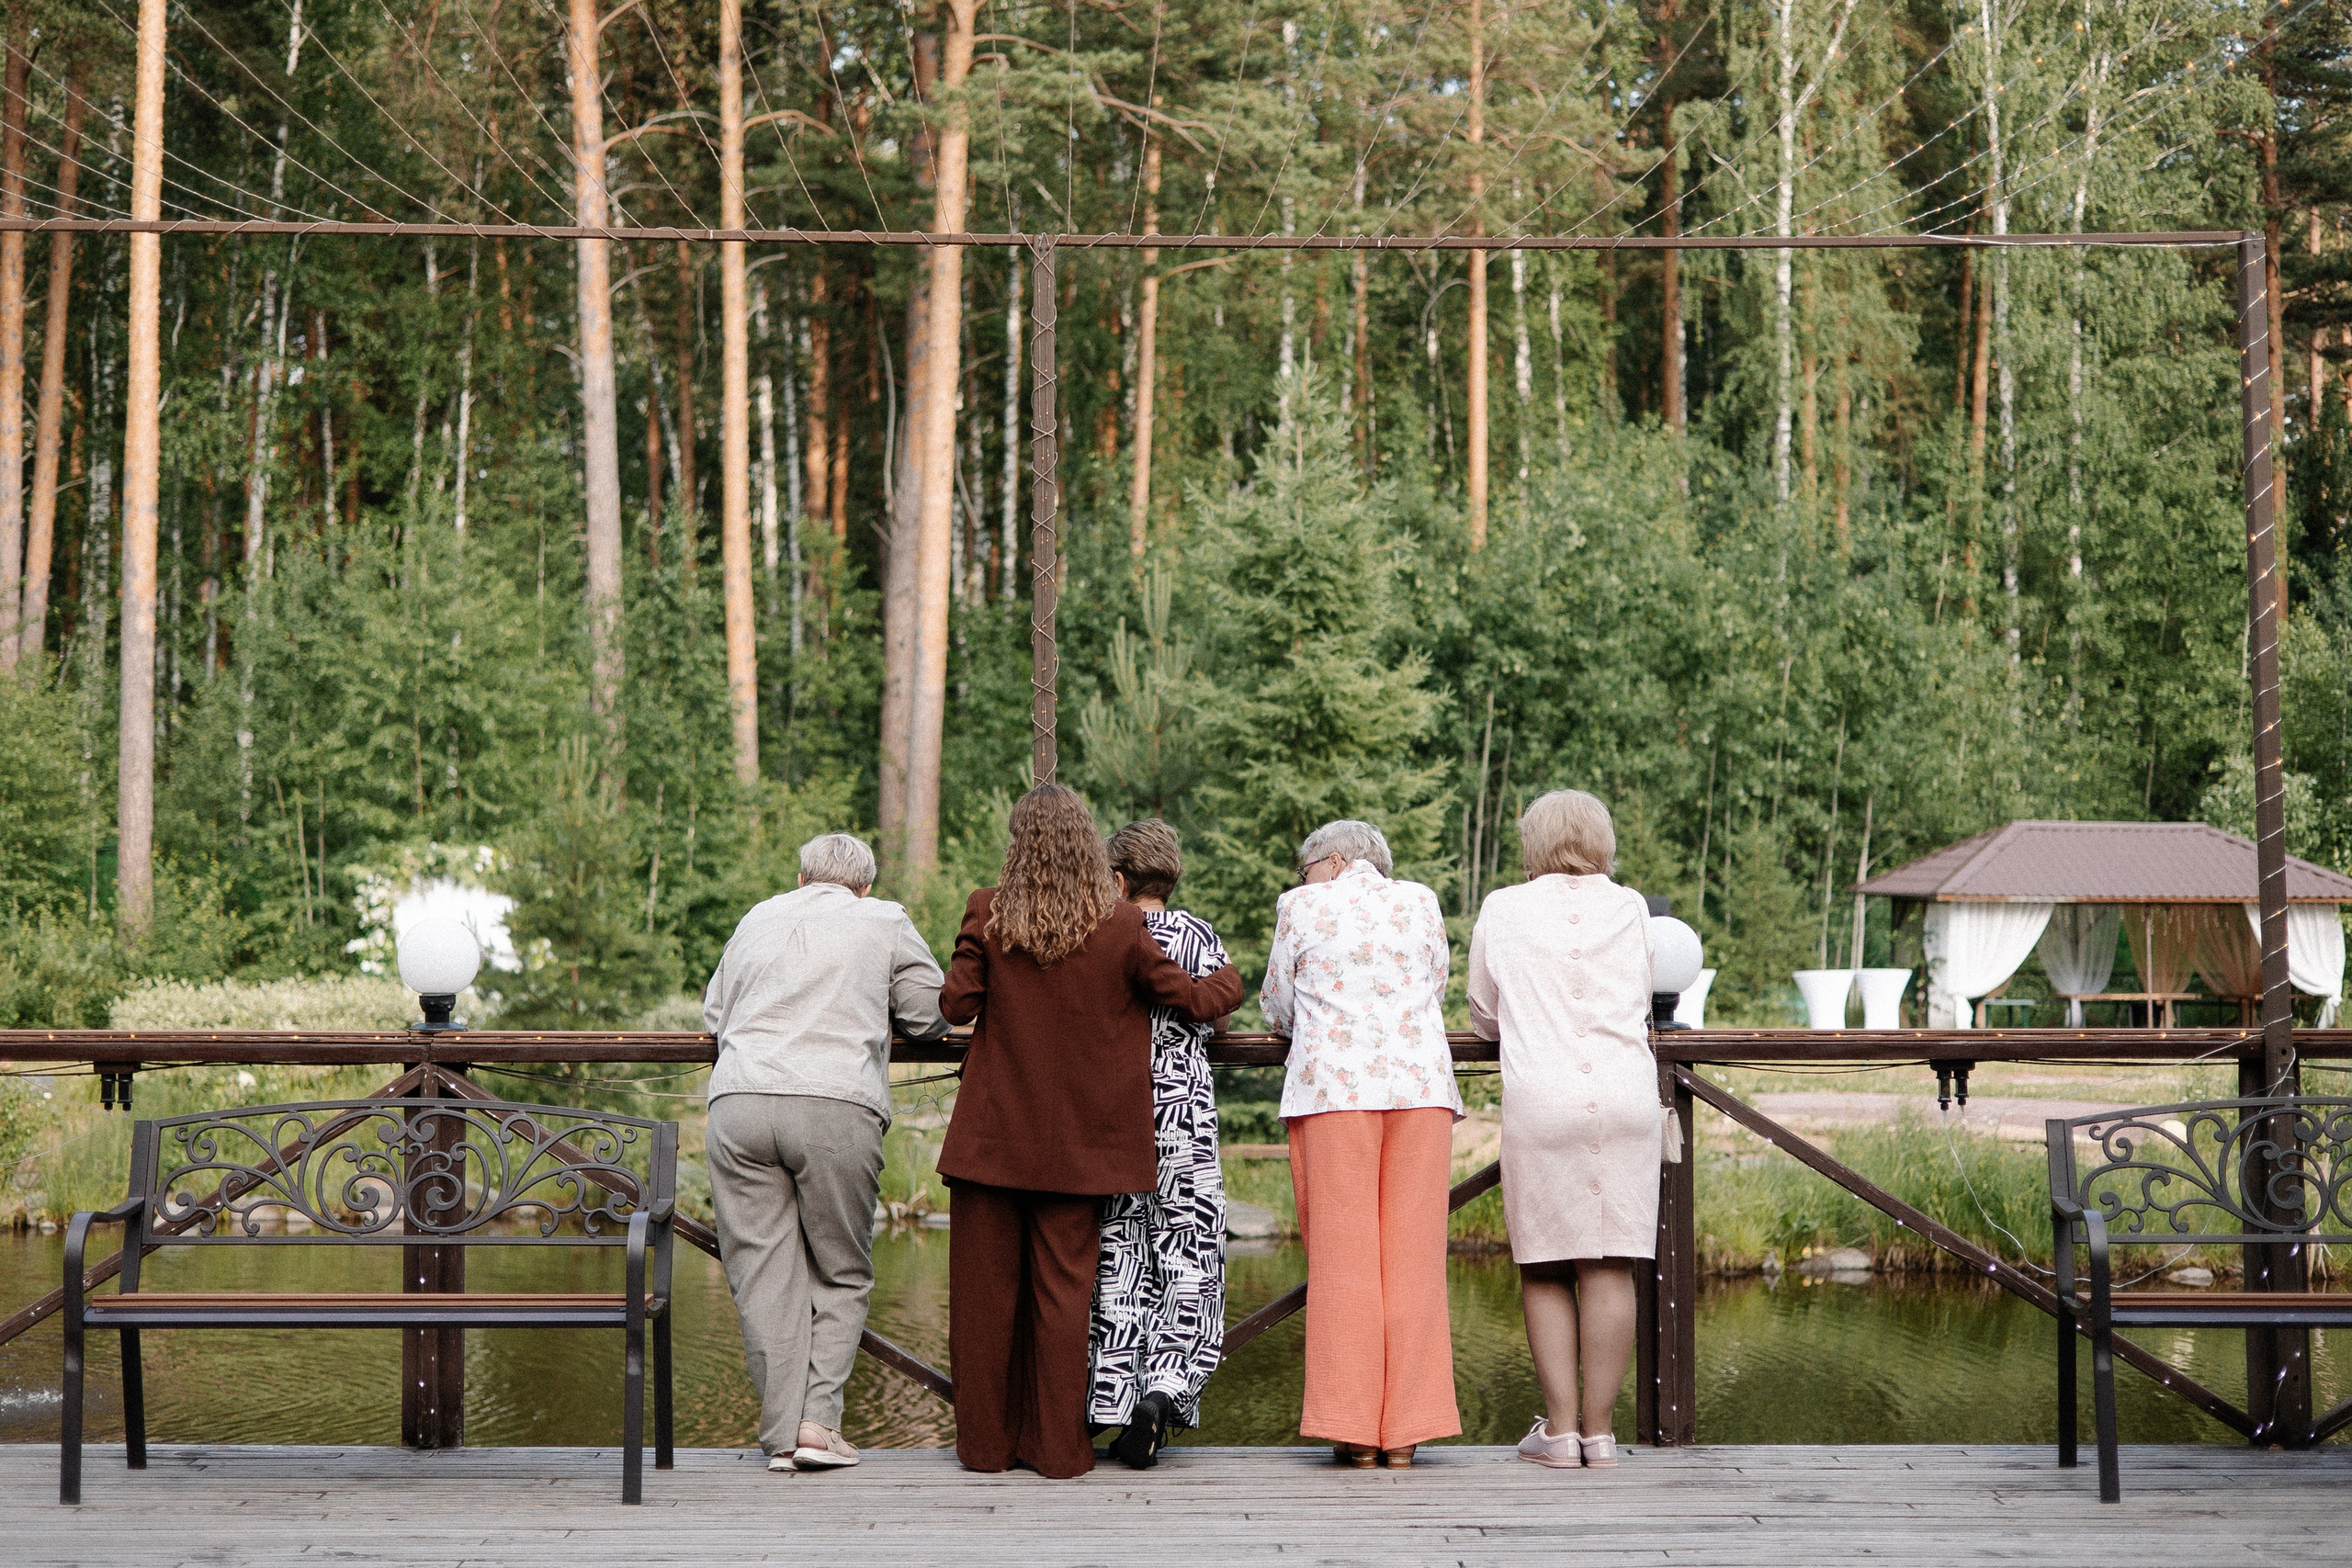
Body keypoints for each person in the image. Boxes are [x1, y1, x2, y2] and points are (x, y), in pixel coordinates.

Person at [937, 784, 1245, 1478]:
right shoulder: (1116, 926)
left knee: (984, 1303)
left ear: (1017, 844)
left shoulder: (988, 909)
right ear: (1087, 846)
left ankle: (986, 1449)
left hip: (991, 1140)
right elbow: (1196, 1001)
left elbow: (956, 1004)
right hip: (1082, 1149)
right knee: (1063, 1298)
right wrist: (1229, 976)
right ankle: (1058, 1451)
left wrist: (972, 946)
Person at [701, 831, 951, 1473]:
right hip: (836, 1104)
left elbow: (714, 1015)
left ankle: (782, 1435)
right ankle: (818, 1425)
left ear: (803, 878)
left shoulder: (759, 914)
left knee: (763, 1275)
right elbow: (928, 1016)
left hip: (740, 1102)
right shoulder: (885, 918)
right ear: (864, 885)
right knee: (841, 1270)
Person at [1261, 819, 1462, 1469]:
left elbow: (1278, 1004)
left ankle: (1354, 1430)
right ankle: (1405, 1431)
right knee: (1414, 1259)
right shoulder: (1422, 899)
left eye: (1305, 867)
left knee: (1345, 1264)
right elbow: (1434, 983)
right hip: (1420, 1087)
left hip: (1335, 1092)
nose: (1302, 879)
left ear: (1335, 860)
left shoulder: (1301, 906)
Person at [1465, 789, 1657, 1471]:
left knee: (1546, 1263)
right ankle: (1602, 1436)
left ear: (1533, 843)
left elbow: (1485, 1009)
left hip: (1542, 1099)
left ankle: (1561, 1432)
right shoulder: (1631, 905)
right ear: (1601, 840)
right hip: (1628, 1095)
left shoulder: (1504, 907)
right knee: (1611, 1261)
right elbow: (1644, 986)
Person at [1086, 819, 1234, 1469]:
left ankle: (1111, 1399)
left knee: (1117, 1253)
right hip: (1185, 1119)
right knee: (1189, 1255)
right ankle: (1165, 1390)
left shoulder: (1102, 935)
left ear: (1117, 879)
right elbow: (1219, 1015)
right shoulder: (1197, 935)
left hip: (1115, 1117)